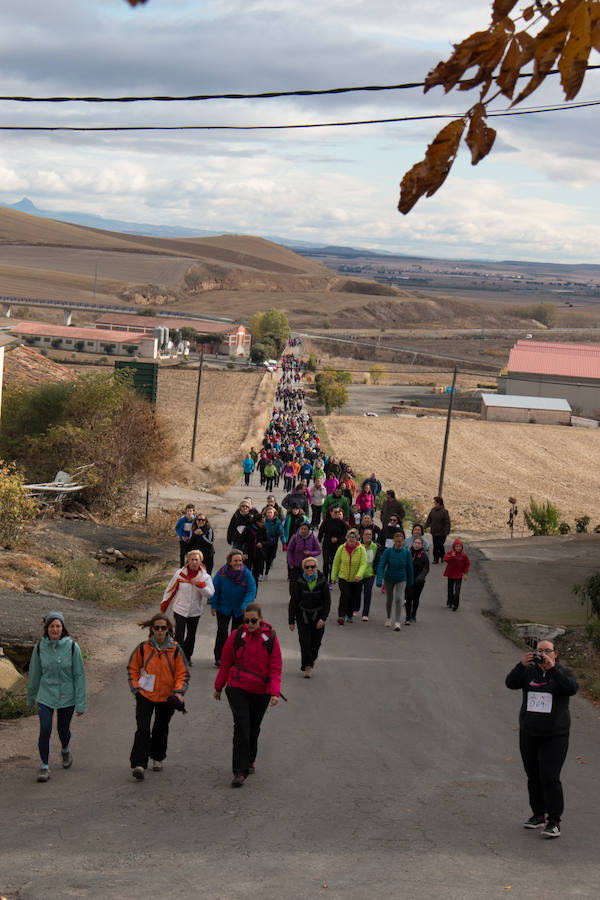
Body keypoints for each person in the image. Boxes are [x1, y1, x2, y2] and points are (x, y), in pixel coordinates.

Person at [505, 640, 578, 838]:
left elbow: (572, 688)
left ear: (555, 654)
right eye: (539, 651)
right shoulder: (529, 672)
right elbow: (510, 683)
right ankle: (538, 814)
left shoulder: (562, 672)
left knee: (549, 777)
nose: (543, 654)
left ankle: (554, 821)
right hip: (529, 733)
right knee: (533, 776)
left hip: (555, 736)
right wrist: (521, 665)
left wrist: (553, 670)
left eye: (547, 651)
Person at [214, 602, 282, 787]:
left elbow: (275, 668)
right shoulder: (236, 636)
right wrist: (219, 687)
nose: (250, 624)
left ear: (260, 620)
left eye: (253, 620)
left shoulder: (270, 638)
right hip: (237, 688)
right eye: (247, 620)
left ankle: (250, 758)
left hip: (261, 691)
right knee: (242, 727)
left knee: (253, 728)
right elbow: (226, 662)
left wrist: (275, 692)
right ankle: (239, 771)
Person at [127, 612, 189, 779]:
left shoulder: (175, 650)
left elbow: (182, 674)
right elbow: (132, 668)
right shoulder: (143, 648)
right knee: (143, 729)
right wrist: (136, 689)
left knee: (161, 729)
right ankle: (139, 764)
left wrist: (178, 693)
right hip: (145, 695)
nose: (160, 631)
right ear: (152, 629)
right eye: (157, 628)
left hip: (167, 697)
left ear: (168, 629)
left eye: (163, 628)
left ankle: (157, 757)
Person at [27, 611, 86, 783]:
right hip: (46, 695)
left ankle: (65, 749)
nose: (55, 629)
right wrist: (31, 698)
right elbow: (34, 675)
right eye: (52, 626)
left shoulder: (73, 647)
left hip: (67, 696)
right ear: (47, 629)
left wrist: (81, 703)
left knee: (63, 729)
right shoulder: (39, 648)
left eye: (58, 626)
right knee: (45, 728)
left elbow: (79, 676)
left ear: (63, 628)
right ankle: (44, 766)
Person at [160, 549, 215, 665]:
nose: (194, 562)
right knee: (179, 635)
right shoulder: (180, 574)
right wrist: (164, 604)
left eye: (197, 560)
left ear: (200, 562)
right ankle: (177, 658)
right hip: (180, 609)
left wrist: (199, 585)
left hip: (195, 611)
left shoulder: (205, 577)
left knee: (191, 635)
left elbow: (210, 593)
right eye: (192, 559)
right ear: (188, 560)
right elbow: (170, 589)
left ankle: (187, 657)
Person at [210, 550, 257, 666]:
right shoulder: (222, 573)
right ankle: (219, 657)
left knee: (237, 634)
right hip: (223, 607)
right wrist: (213, 605)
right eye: (235, 561)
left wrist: (245, 605)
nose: (238, 563)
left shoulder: (247, 574)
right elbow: (214, 590)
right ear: (230, 562)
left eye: (240, 561)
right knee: (222, 632)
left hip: (239, 609)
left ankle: (236, 657)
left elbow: (251, 590)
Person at [289, 557, 330, 677]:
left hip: (318, 616)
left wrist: (323, 618)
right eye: (307, 567)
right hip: (303, 616)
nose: (310, 569)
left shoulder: (322, 581)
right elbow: (294, 602)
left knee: (316, 644)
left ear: (316, 567)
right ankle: (307, 666)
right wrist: (291, 620)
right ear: (304, 569)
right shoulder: (299, 582)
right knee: (304, 642)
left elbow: (327, 602)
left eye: (313, 566)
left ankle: (310, 660)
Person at [376, 531, 414, 631]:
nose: (398, 543)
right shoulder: (388, 551)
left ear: (403, 542)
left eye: (400, 541)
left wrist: (410, 582)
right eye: (397, 541)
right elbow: (381, 565)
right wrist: (379, 579)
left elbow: (410, 568)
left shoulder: (407, 552)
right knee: (389, 599)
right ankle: (388, 617)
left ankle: (397, 621)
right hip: (389, 578)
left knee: (399, 598)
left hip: (401, 578)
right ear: (394, 541)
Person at [331, 528, 368, 625]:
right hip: (343, 577)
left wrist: (359, 575)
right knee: (345, 595)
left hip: (356, 579)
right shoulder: (341, 548)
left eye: (354, 537)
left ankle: (350, 614)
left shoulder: (361, 549)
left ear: (357, 539)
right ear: (346, 538)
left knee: (353, 597)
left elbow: (363, 564)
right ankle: (341, 615)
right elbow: (336, 563)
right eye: (350, 537)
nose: (351, 539)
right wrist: (333, 577)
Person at [286, 521, 322, 587]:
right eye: (301, 528)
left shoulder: (313, 538)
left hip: (308, 566)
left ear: (308, 530)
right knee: (294, 584)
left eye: (305, 529)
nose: (303, 530)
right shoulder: (295, 537)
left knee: (306, 586)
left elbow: (318, 551)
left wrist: (310, 553)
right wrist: (290, 562)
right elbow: (289, 550)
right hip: (296, 565)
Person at [318, 506, 348, 585]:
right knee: (326, 562)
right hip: (327, 544)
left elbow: (345, 535)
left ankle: (331, 579)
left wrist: (338, 539)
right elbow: (321, 532)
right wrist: (318, 543)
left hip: (337, 546)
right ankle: (324, 578)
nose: (337, 514)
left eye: (338, 512)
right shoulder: (326, 522)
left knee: (334, 563)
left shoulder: (342, 523)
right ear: (331, 512)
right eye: (335, 512)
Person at [405, 536, 429, 624]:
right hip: (409, 579)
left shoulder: (424, 555)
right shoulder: (408, 553)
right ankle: (407, 617)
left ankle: (413, 614)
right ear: (413, 543)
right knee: (408, 597)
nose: (417, 545)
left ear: (422, 545)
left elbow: (426, 569)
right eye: (415, 543)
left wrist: (421, 576)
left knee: (416, 598)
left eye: (419, 543)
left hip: (419, 581)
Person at [359, 528, 381, 621]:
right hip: (358, 573)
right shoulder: (358, 546)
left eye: (370, 535)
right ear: (362, 536)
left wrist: (375, 570)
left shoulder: (376, 547)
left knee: (368, 592)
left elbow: (377, 560)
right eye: (366, 534)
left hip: (370, 574)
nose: (368, 536)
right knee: (356, 593)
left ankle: (365, 613)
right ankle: (355, 608)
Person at [443, 538, 470, 610]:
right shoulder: (450, 553)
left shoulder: (464, 555)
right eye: (456, 546)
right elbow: (445, 559)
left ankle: (455, 605)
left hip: (459, 574)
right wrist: (452, 556)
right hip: (450, 574)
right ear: (454, 547)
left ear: (462, 547)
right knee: (450, 589)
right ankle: (449, 602)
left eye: (460, 546)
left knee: (457, 590)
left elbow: (467, 564)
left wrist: (465, 573)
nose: (458, 548)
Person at [425, 495, 451, 564]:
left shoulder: (444, 512)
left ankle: (442, 555)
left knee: (439, 545)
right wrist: (424, 527)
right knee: (435, 546)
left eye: (435, 503)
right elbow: (429, 519)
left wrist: (447, 531)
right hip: (434, 532)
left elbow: (447, 522)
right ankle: (435, 559)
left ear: (439, 503)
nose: (434, 504)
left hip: (442, 532)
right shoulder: (432, 510)